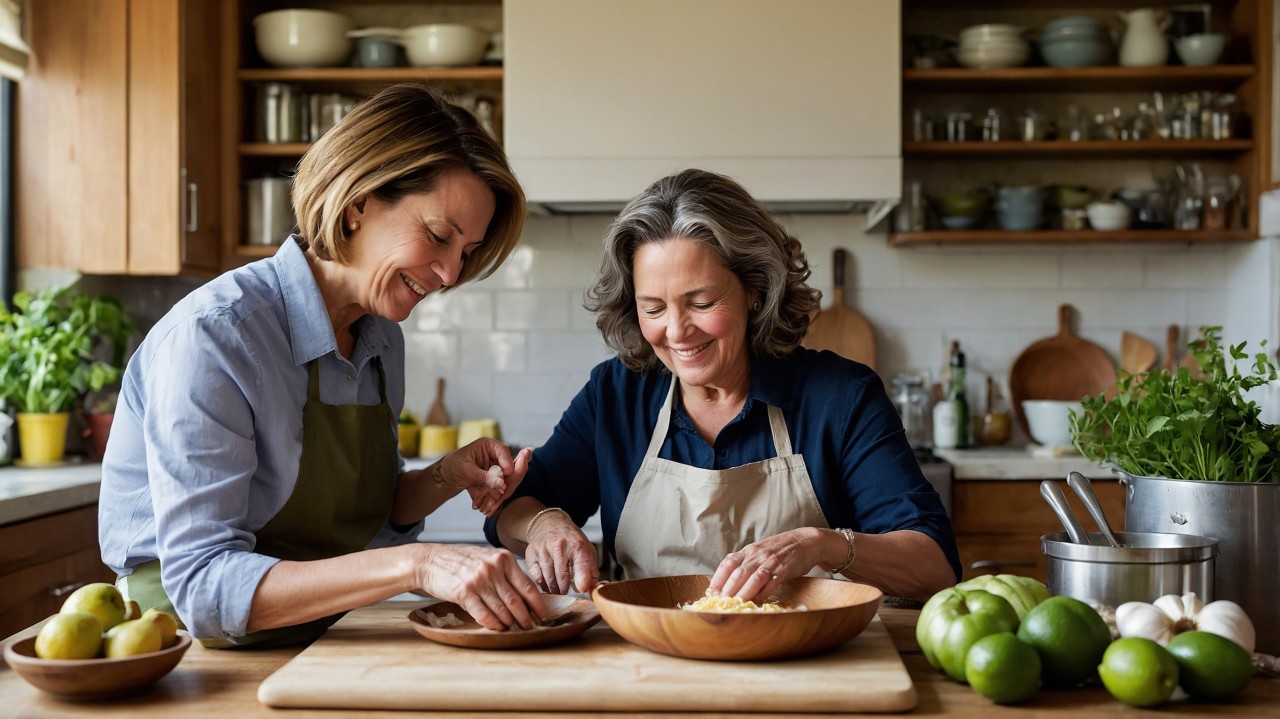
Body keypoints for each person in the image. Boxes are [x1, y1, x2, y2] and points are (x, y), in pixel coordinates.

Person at [99, 84, 547, 648]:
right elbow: (204, 586)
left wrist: (445, 476)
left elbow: (364, 518)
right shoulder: (218, 335)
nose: (451, 275)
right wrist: (421, 564)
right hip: (190, 656)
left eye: (466, 253)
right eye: (439, 236)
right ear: (359, 200)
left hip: (320, 638)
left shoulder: (380, 337)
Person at [485, 168, 960, 601]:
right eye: (653, 308)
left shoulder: (840, 396)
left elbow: (934, 566)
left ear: (755, 289)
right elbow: (510, 511)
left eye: (701, 301)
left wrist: (822, 544)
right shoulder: (617, 394)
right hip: (651, 659)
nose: (676, 331)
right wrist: (547, 525)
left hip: (807, 661)